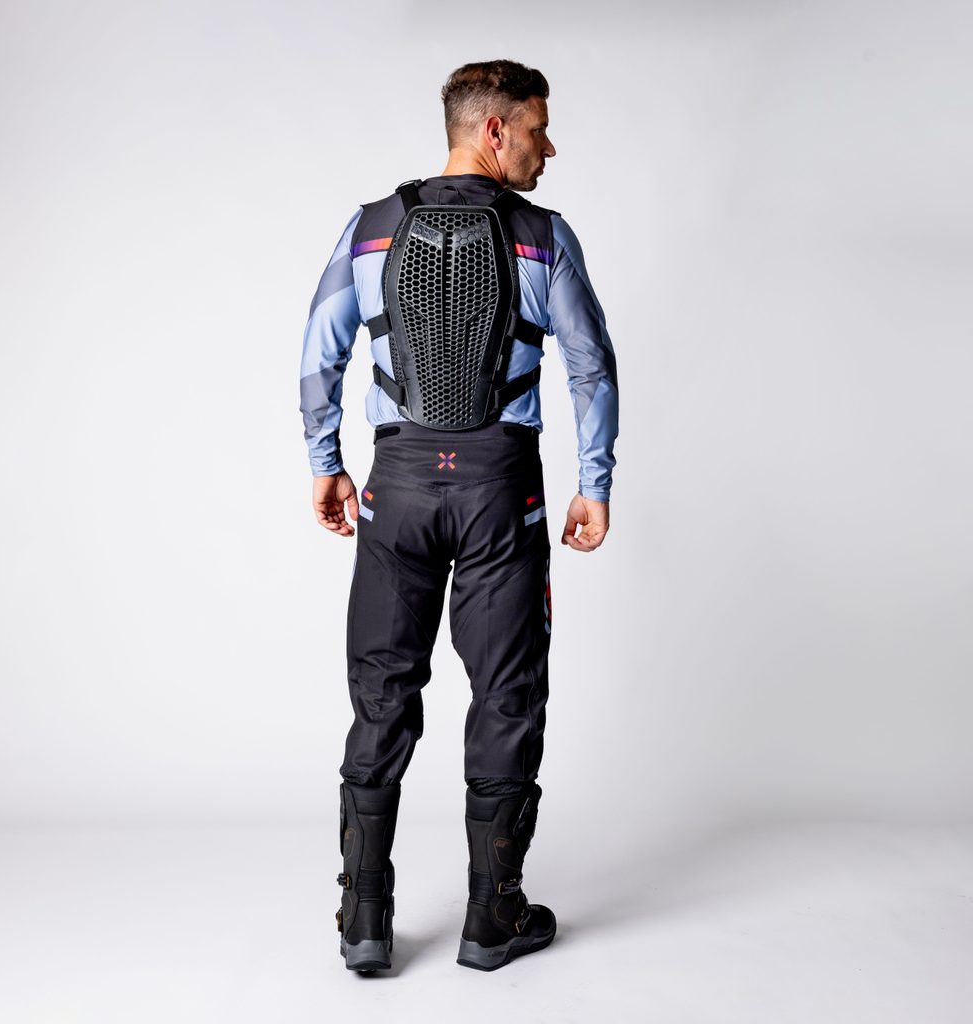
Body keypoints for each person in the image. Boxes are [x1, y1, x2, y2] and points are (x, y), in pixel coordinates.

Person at [299, 59, 618, 973]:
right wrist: (594, 482)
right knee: (507, 694)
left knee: (381, 694)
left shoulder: (370, 228)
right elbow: (590, 367)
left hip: (396, 489)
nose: (548, 149)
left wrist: (326, 464)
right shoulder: (544, 237)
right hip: (499, 492)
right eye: (537, 130)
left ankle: (364, 923)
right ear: (494, 131)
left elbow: (319, 354)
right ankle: (491, 920)